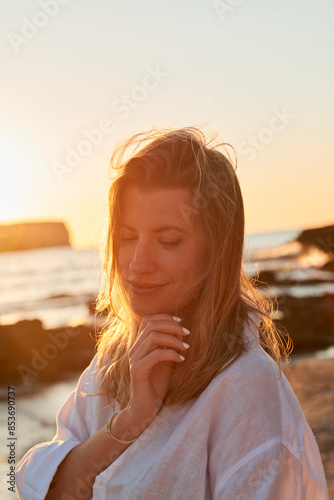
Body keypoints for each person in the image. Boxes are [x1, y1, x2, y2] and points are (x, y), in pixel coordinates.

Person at [16, 128, 329, 499]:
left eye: (168, 241)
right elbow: (52, 491)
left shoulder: (248, 391)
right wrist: (130, 421)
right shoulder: (114, 360)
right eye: (128, 237)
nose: (138, 263)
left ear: (217, 252)